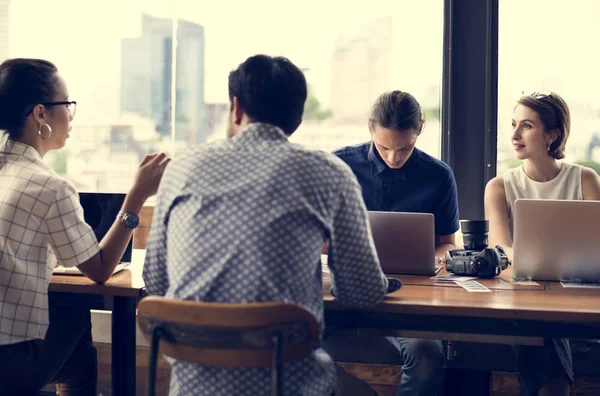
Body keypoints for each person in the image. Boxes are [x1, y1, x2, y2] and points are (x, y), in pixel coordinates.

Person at [142, 54, 400, 396]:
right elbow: (360, 292)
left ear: (236, 108)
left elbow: (156, 280)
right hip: (288, 383)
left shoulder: (182, 168)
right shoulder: (329, 173)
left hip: (194, 386)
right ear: (298, 118)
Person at [0, 58, 169, 395]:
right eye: (67, 104)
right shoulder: (48, 186)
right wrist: (137, 194)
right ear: (40, 114)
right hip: (10, 363)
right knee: (76, 316)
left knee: (78, 352)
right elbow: (101, 269)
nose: (71, 116)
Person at [328, 90, 459, 396]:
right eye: (384, 146)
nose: (393, 157)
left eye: (405, 148)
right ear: (370, 128)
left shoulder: (439, 176)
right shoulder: (339, 166)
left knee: (427, 352)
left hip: (409, 297)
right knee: (290, 337)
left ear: (419, 131)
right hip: (344, 291)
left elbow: (448, 244)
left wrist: (434, 260)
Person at [485, 91, 600, 396]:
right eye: (513, 124)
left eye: (526, 126)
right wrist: (529, 264)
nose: (514, 135)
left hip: (579, 294)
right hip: (525, 295)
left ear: (551, 135)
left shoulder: (585, 179)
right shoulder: (499, 187)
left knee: (544, 331)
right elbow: (501, 249)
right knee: (541, 328)